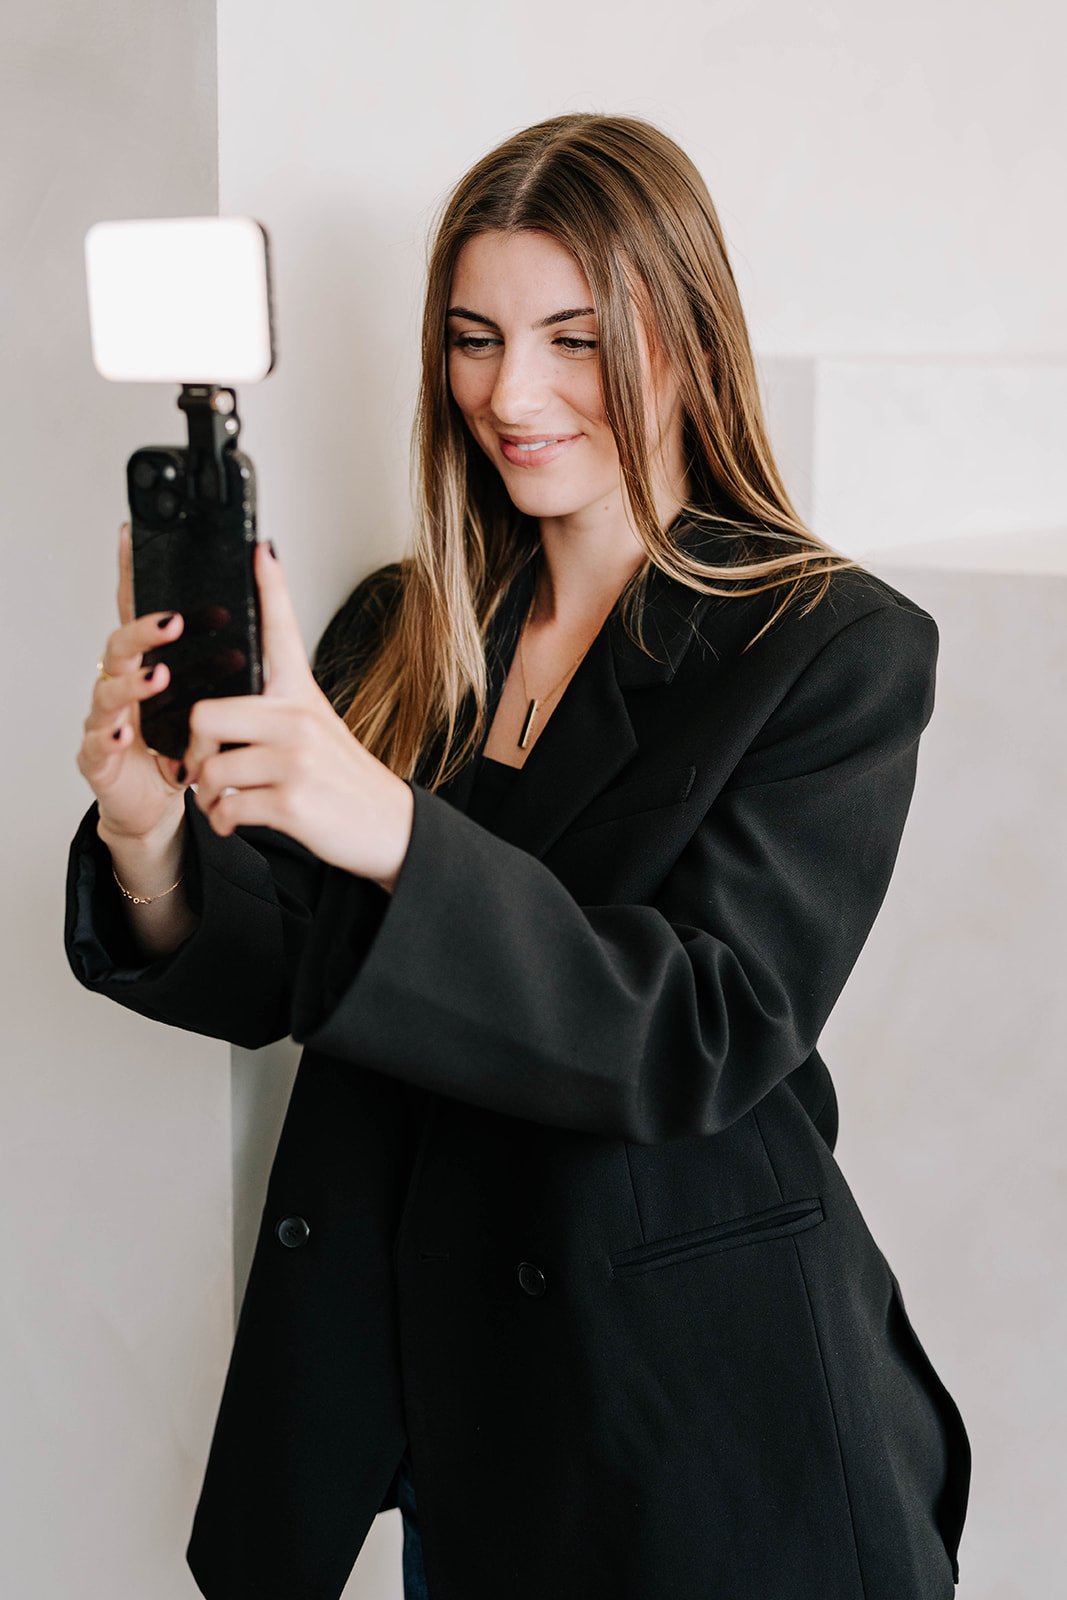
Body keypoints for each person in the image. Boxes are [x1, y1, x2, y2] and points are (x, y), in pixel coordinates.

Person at [65, 113, 972, 1600]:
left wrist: (388, 824)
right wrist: (146, 829)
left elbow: (700, 1028)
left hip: (686, 1408)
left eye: (573, 337)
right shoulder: (407, 628)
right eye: (475, 338)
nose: (514, 392)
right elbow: (295, 965)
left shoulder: (825, 646)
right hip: (447, 1387)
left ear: (680, 337)